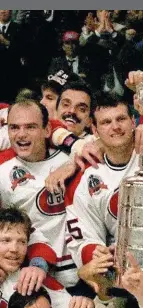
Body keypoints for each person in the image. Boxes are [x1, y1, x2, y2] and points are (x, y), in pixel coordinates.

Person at [0, 100, 75, 287]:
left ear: (47, 130)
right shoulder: (2, 169)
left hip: (77, 273)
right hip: (27, 275)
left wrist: (74, 163)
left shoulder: (71, 158)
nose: (21, 134)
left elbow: (102, 147)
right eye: (14, 128)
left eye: (31, 127)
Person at [64, 93, 138, 270]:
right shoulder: (87, 177)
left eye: (121, 119)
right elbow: (83, 237)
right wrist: (99, 255)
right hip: (124, 271)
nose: (115, 127)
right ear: (95, 131)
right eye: (106, 122)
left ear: (134, 122)